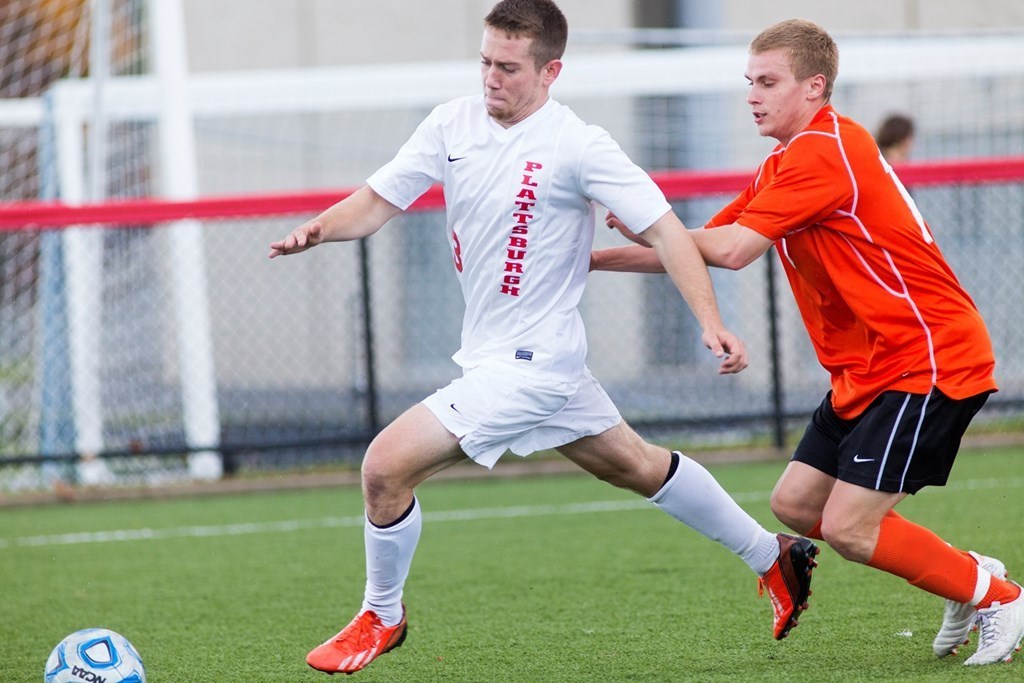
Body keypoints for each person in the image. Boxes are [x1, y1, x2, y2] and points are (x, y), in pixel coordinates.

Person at [270, 1, 819, 675]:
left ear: (550, 70)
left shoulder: (579, 144)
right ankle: (775, 556)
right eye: (484, 63)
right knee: (637, 465)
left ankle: (382, 614)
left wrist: (710, 319)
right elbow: (379, 199)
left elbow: (667, 231)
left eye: (507, 67)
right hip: (505, 358)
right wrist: (318, 229)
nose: (490, 79)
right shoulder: (452, 123)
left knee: (385, 466)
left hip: (535, 366)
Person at [594, 18, 1024, 667]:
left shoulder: (827, 150)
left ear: (814, 86)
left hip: (929, 356)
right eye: (749, 82)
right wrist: (592, 258)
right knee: (796, 502)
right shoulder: (784, 162)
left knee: (850, 526)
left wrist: (648, 234)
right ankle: (965, 574)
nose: (752, 95)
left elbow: (732, 250)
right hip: (873, 368)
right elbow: (695, 245)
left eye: (767, 81)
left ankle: (999, 594)